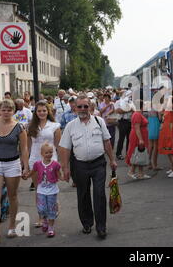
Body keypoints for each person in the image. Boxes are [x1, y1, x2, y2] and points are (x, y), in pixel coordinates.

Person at [59, 95, 118, 239]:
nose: (83, 109)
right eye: (80, 106)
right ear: (75, 108)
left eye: (86, 106)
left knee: (99, 194)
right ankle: (87, 223)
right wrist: (65, 168)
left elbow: (106, 142)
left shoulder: (99, 121)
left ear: (90, 106)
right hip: (79, 165)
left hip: (98, 163)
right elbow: (65, 148)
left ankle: (101, 227)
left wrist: (112, 160)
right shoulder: (71, 126)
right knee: (83, 194)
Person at [0, 99, 30, 246]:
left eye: (9, 110)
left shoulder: (19, 127)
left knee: (12, 195)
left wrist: (26, 166)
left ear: (13, 111)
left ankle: (11, 227)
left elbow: (24, 149)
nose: (6, 112)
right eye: (3, 110)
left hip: (12, 164)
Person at [27, 101, 61, 208]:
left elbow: (58, 145)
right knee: (38, 189)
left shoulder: (55, 126)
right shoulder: (30, 126)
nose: (42, 113)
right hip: (35, 159)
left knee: (50, 188)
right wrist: (25, 163)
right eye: (39, 111)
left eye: (44, 111)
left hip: (51, 160)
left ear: (48, 111)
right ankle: (41, 216)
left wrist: (62, 164)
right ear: (35, 112)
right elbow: (28, 146)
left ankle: (52, 211)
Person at [27, 142, 61, 237]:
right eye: (46, 152)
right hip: (41, 190)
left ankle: (51, 228)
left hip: (52, 190)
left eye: (51, 152)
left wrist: (64, 178)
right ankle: (45, 220)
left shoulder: (55, 164)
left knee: (51, 209)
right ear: (42, 154)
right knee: (41, 208)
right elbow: (33, 172)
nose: (49, 154)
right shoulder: (38, 164)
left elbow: (59, 175)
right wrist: (27, 176)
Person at [125, 100, 150, 180]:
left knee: (140, 154)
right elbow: (137, 128)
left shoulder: (138, 113)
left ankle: (141, 173)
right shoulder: (137, 114)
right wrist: (140, 139)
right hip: (137, 136)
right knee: (137, 153)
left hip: (140, 135)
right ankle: (131, 171)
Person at [158, 97, 173, 178]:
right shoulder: (168, 109)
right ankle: (172, 168)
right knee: (168, 151)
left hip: (172, 131)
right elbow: (161, 114)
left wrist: (169, 99)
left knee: (172, 151)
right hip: (167, 131)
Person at [115, 91, 133, 160]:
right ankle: (118, 154)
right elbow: (119, 111)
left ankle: (128, 153)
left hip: (129, 121)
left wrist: (126, 109)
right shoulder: (118, 102)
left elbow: (133, 109)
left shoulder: (130, 102)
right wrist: (128, 109)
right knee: (121, 138)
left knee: (129, 138)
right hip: (122, 121)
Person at [147, 97, 162, 171]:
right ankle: (154, 164)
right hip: (155, 123)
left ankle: (149, 162)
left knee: (150, 145)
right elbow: (159, 118)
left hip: (150, 123)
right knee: (156, 145)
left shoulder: (149, 105)